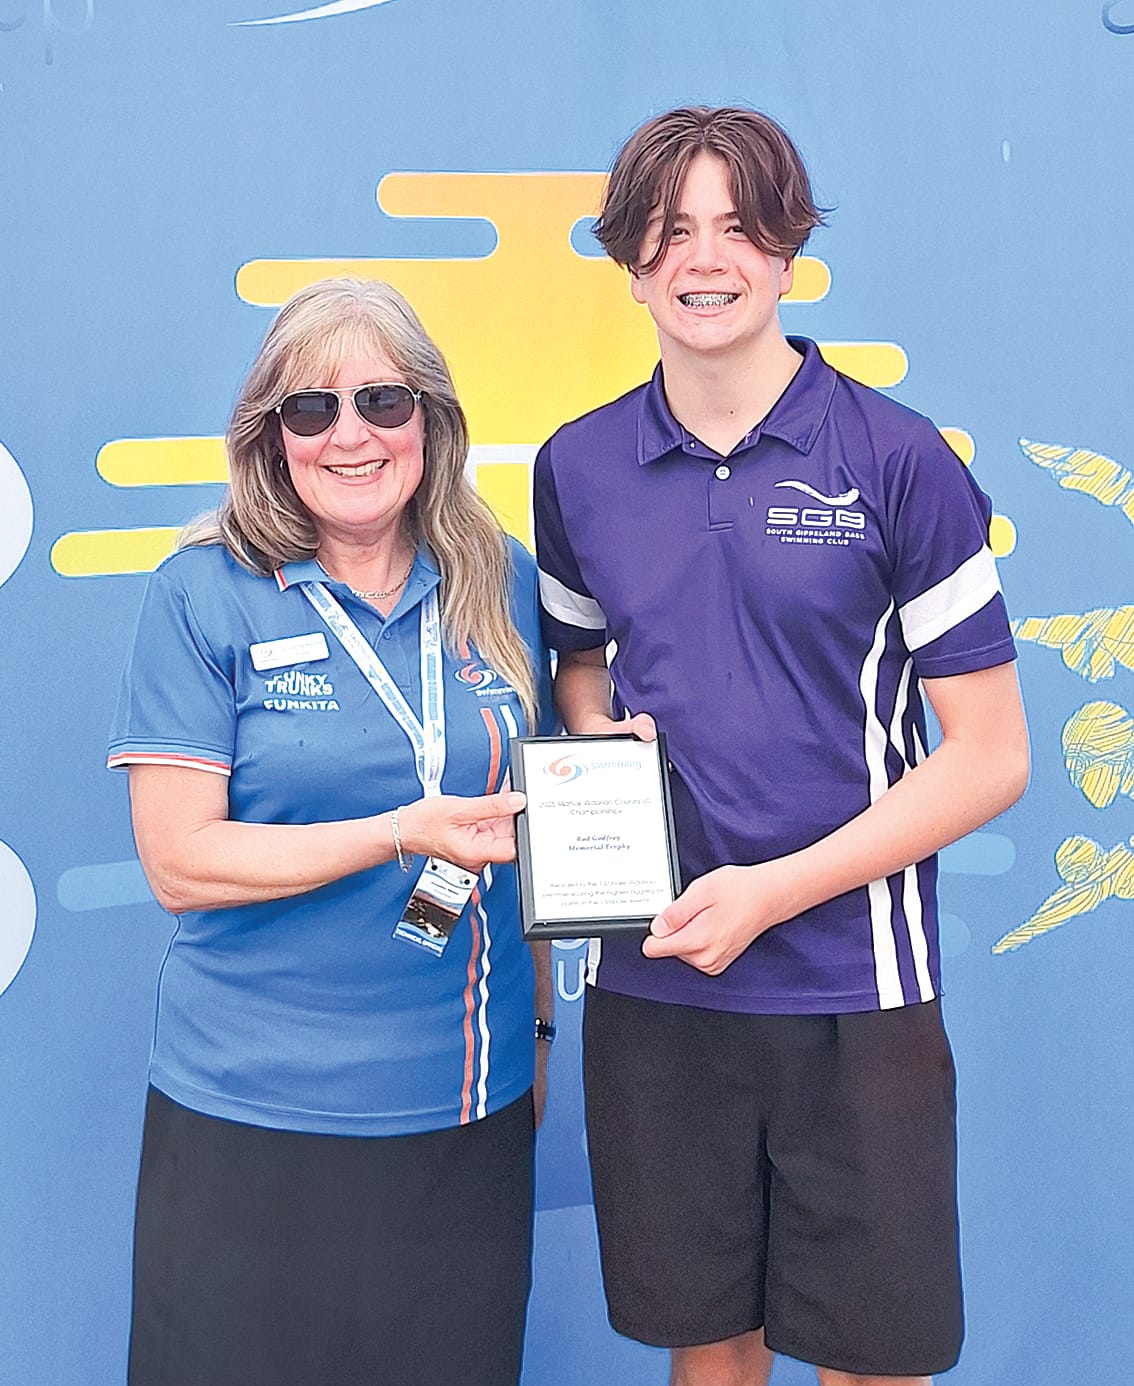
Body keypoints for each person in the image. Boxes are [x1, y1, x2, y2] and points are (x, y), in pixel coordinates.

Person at [533, 106, 1029, 1386]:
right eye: (672, 228)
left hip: (852, 987)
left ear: (791, 253)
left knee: (876, 1358)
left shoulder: (900, 457)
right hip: (660, 985)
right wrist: (599, 739)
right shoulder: (578, 466)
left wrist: (772, 893)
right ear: (629, 258)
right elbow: (579, 668)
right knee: (712, 1349)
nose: (707, 258)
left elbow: (988, 756)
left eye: (740, 227)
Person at [107, 277, 554, 1386]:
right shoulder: (204, 592)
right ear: (271, 437)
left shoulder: (503, 584)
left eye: (383, 403)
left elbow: (526, 830)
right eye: (311, 410)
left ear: (432, 423)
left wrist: (539, 1037)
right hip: (249, 1109)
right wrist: (399, 831)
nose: (350, 435)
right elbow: (179, 860)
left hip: (459, 1109)